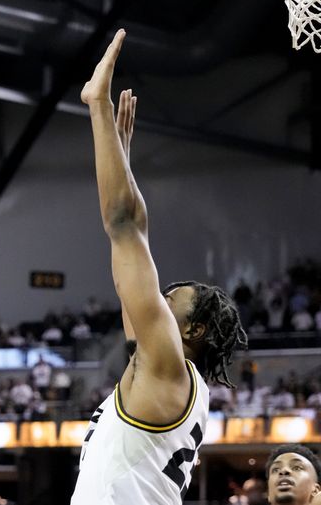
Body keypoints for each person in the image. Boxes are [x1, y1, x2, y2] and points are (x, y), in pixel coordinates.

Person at [71, 30, 247, 505]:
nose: (158, 303)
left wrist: (99, 110)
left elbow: (125, 224)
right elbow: (125, 257)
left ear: (195, 328)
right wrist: (118, 157)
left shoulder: (169, 367)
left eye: (171, 303)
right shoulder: (166, 374)